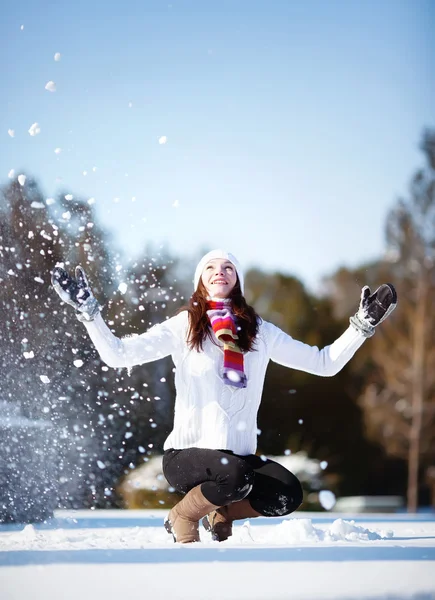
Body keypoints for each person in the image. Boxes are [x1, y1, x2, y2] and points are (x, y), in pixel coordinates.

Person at [51, 249, 397, 543]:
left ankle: (222, 509)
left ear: (237, 280)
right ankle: (182, 516)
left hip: (237, 460)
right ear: (201, 280)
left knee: (287, 493)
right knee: (234, 476)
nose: (220, 271)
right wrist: (89, 313)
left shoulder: (260, 332)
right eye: (211, 267)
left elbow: (325, 363)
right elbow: (118, 355)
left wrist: (360, 326)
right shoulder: (185, 325)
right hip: (185, 456)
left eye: (228, 266)